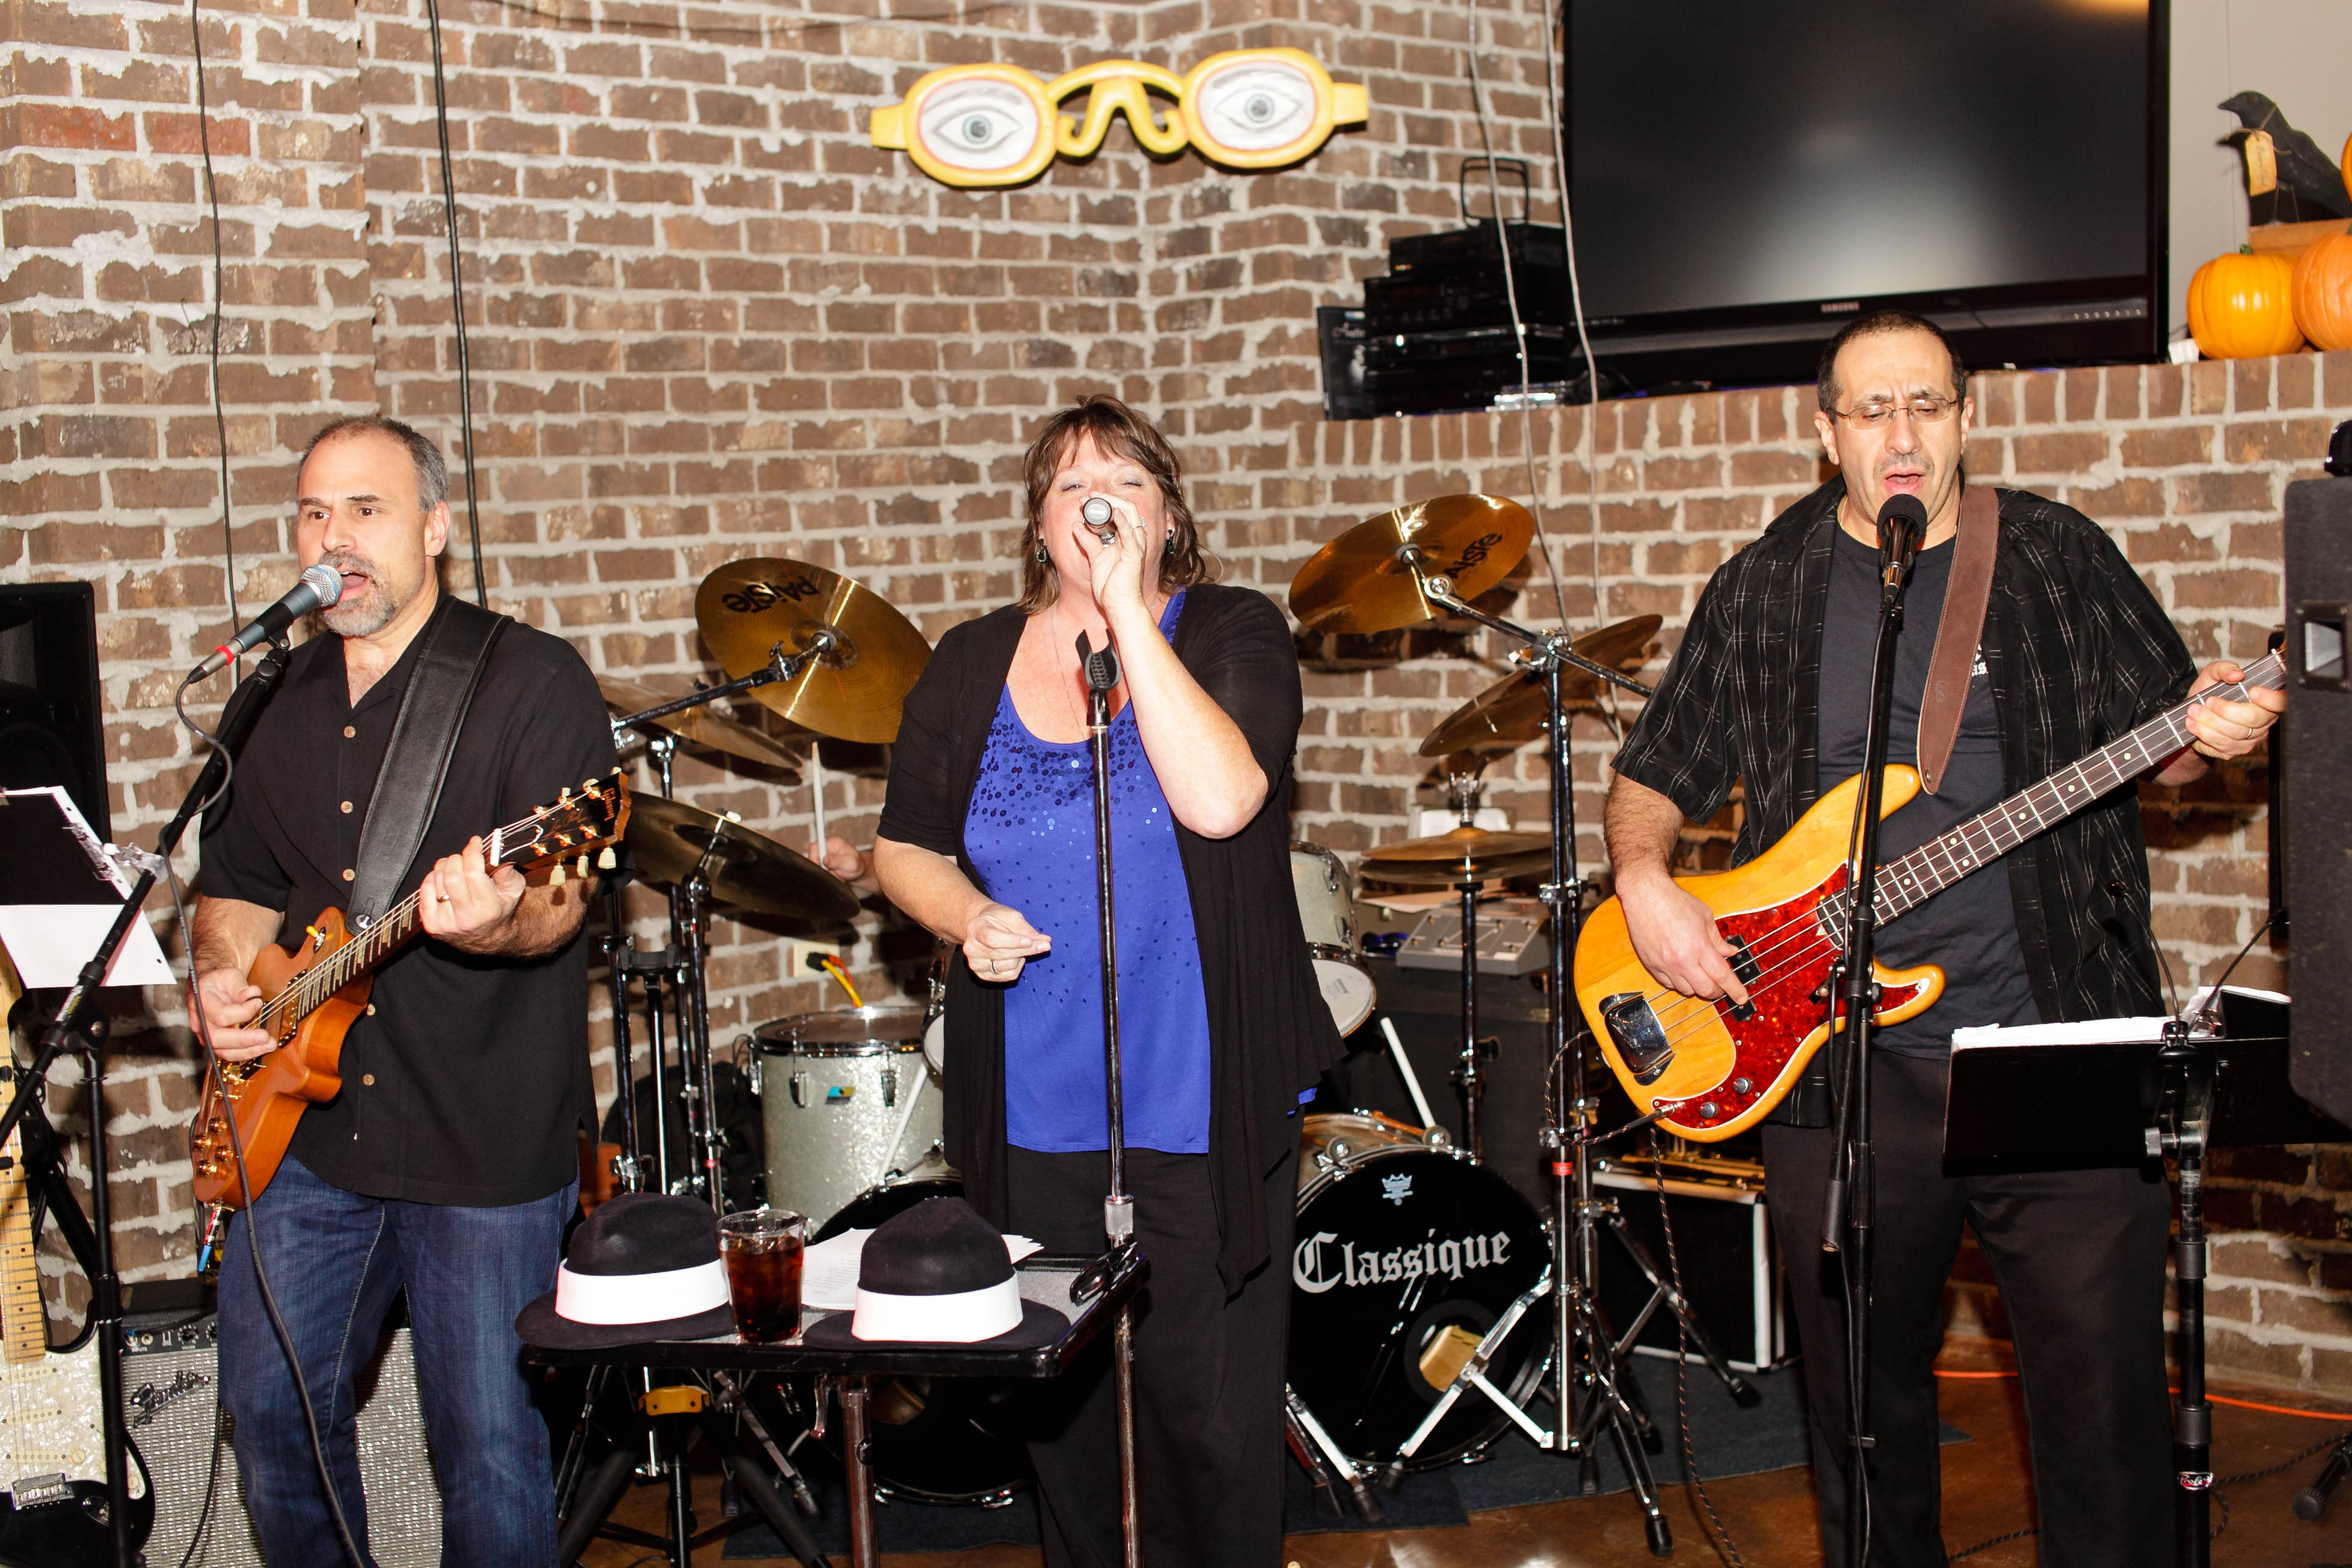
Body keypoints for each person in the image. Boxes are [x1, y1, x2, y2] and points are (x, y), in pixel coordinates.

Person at [1601, 312, 2283, 1568]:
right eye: (1871, 411)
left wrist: (2212, 731)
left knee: (2100, 1408)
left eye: (1924, 404)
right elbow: (1655, 770)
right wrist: (1644, 879)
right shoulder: (1765, 582)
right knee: (1859, 1418)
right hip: (1836, 1061)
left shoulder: (2055, 560)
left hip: (2054, 1043)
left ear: (1964, 418)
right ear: (1826, 437)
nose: (1901, 434)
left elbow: (2170, 745)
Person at [873, 394, 1343, 1567]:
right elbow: (903, 844)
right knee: (1069, 1433)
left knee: (1209, 1430)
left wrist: (1131, 612)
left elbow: (1223, 800)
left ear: (1167, 517)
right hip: (1031, 1118)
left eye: (1128, 482)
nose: (1098, 501)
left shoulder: (1231, 628)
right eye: (1071, 482)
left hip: (1197, 1109)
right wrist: (965, 911)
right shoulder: (971, 659)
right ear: (1037, 523)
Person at [192, 415, 616, 1565]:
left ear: (434, 525)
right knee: (272, 1417)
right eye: (316, 513)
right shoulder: (270, 696)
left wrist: (497, 920)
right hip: (308, 1132)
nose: (337, 539)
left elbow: (561, 903)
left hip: (480, 1139)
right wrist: (223, 978)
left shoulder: (529, 680)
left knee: (484, 1449)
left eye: (367, 510)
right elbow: (232, 884)